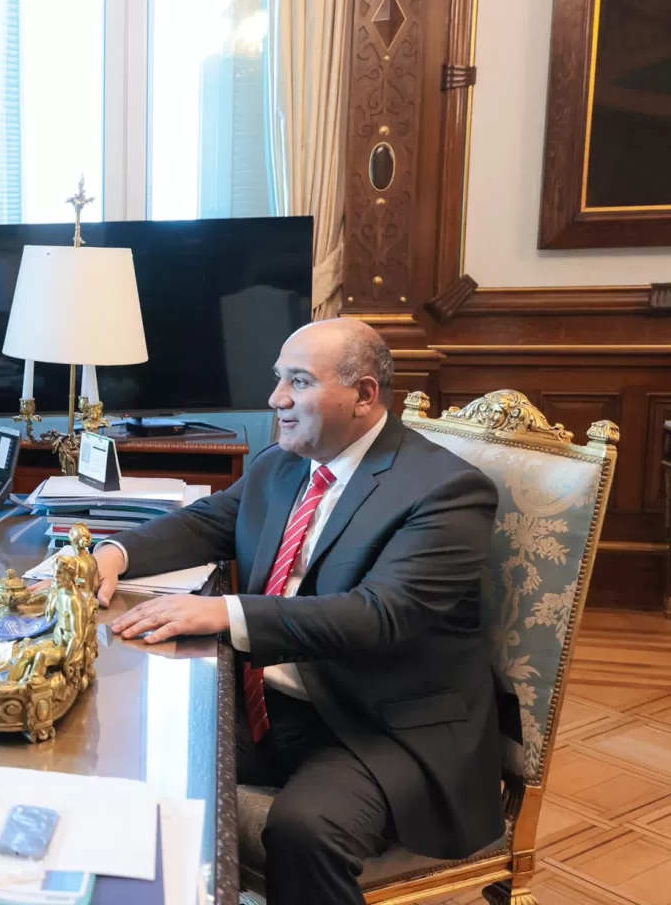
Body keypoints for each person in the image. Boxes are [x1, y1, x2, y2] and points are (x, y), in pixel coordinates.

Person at [100, 318, 505, 905]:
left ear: (364, 395)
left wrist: (225, 614)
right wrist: (112, 553)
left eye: (299, 382)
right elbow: (206, 521)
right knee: (136, 740)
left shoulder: (446, 491)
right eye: (277, 379)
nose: (276, 399)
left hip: (382, 723)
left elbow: (380, 616)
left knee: (302, 829)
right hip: (275, 699)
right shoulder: (282, 463)